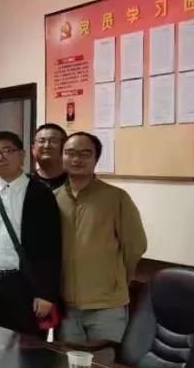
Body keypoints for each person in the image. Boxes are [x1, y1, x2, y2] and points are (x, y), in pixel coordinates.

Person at [56, 132, 147, 344]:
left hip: (106, 306)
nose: (77, 159)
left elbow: (135, 245)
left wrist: (115, 280)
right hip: (66, 306)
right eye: (70, 153)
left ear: (96, 159)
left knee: (106, 363)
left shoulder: (116, 197)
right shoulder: (54, 198)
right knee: (69, 362)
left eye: (85, 154)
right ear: (62, 156)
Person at [0, 131, 62, 338]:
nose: (0, 157)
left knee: (26, 348)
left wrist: (46, 293)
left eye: (7, 151)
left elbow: (52, 246)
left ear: (22, 155)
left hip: (24, 284)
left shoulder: (40, 193)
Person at [31, 123, 68, 191]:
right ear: (33, 149)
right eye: (42, 141)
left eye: (53, 141)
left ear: (65, 147)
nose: (47, 146)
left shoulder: (77, 181)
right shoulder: (25, 183)